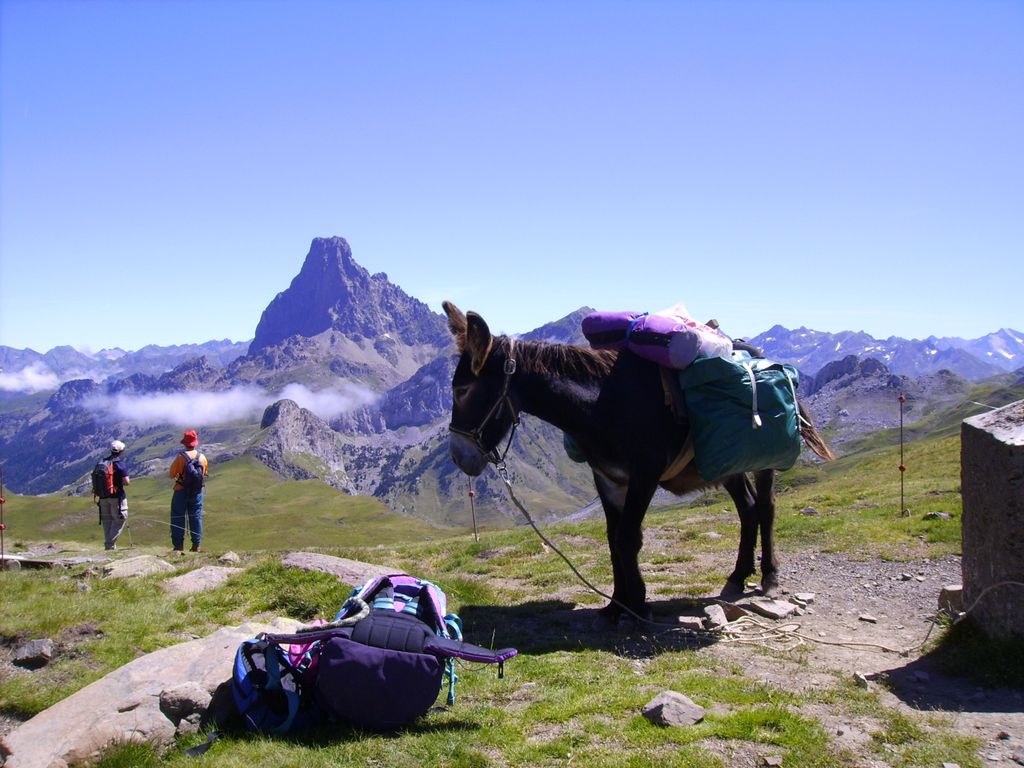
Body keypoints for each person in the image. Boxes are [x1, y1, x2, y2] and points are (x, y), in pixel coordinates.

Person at [168, 429, 209, 553]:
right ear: (195, 443)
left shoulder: (180, 458)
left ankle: (178, 546)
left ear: (184, 443)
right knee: (196, 516)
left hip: (181, 490)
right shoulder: (202, 458)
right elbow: (204, 473)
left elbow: (171, 474)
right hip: (197, 492)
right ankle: (196, 545)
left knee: (177, 516)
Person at [96, 440, 130, 550]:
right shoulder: (120, 465)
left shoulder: (102, 463)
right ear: (121, 451)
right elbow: (126, 482)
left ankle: (110, 547)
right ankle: (109, 544)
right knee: (120, 519)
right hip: (116, 497)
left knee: (107, 521)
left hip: (103, 497)